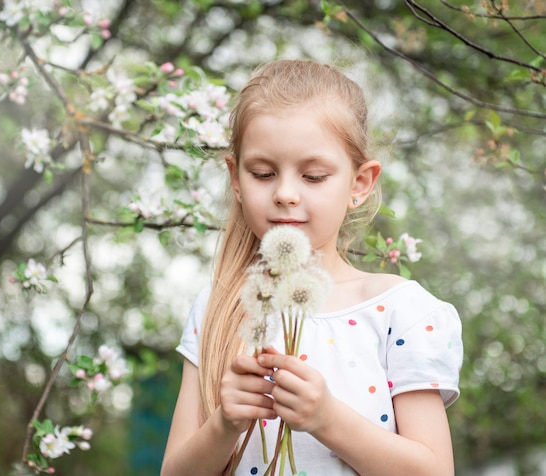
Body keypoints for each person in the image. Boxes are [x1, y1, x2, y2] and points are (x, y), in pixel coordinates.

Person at [160, 59, 463, 476]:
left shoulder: (400, 312)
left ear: (359, 183)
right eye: (263, 173)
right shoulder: (217, 306)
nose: (285, 193)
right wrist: (224, 425)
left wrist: (328, 419)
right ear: (236, 179)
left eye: (314, 176)